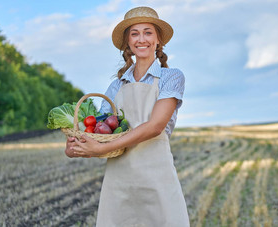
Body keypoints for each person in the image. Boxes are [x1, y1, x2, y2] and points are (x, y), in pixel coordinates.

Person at [65, 6, 190, 227]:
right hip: (119, 181)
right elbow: (101, 131)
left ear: (159, 39)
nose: (142, 39)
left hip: (157, 177)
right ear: (128, 42)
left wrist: (101, 149)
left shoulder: (171, 77)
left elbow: (155, 126)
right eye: (135, 33)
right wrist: (77, 146)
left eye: (148, 32)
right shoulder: (116, 86)